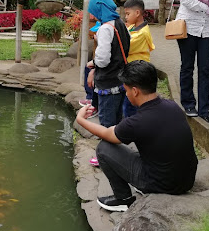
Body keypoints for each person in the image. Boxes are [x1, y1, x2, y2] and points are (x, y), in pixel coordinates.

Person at [76, 61, 198, 212]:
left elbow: (108, 134)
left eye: (126, 90)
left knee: (103, 148)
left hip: (160, 185)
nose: (126, 94)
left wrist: (81, 119)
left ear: (135, 91)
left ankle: (123, 199)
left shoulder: (138, 122)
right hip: (187, 181)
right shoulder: (172, 106)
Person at [86, 0, 130, 168]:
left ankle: (105, 156)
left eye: (94, 11)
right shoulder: (120, 24)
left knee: (106, 122)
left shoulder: (105, 29)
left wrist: (93, 63)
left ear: (99, 7)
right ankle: (116, 153)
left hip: (107, 82)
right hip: (120, 81)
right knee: (117, 119)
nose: (93, 15)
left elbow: (103, 59)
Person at [122, 0, 155, 117]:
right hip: (131, 70)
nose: (126, 17)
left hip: (136, 73)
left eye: (127, 14)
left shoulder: (142, 33)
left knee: (132, 107)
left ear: (137, 13)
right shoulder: (132, 27)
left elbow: (125, 46)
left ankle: (132, 130)